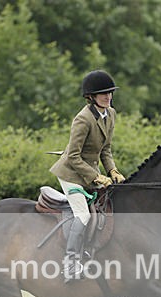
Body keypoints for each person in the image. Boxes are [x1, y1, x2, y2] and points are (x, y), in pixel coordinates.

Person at [50, 70, 126, 282]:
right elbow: (73, 157)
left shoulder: (110, 113)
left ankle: (95, 255)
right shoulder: (82, 120)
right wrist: (96, 177)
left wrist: (113, 171)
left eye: (110, 92)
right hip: (71, 174)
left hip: (92, 173)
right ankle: (70, 263)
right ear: (91, 96)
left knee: (109, 207)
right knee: (83, 215)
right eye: (103, 94)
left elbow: (106, 150)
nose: (108, 97)